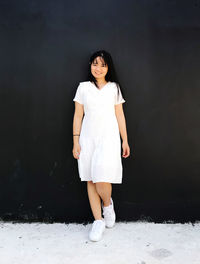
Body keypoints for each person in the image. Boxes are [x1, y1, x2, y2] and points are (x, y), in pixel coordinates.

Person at [72, 50, 130, 242]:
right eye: (95, 64)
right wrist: (75, 141)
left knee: (102, 177)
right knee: (90, 177)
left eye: (103, 65)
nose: (98, 68)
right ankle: (98, 221)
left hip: (108, 138)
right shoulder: (83, 88)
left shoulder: (114, 88)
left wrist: (125, 140)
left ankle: (107, 204)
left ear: (108, 68)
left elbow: (120, 114)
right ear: (90, 65)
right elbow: (78, 115)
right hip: (88, 138)